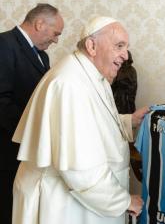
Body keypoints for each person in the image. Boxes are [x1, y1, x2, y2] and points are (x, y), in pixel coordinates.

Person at [12, 17, 147, 224]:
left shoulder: (91, 74)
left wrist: (130, 121)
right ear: (92, 46)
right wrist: (123, 201)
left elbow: (92, 123)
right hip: (63, 205)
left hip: (80, 202)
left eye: (126, 47)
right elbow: (81, 170)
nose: (125, 55)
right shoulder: (70, 84)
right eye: (119, 46)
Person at [0, 3, 64, 223]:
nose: (56, 40)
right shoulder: (4, 44)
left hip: (27, 149)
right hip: (7, 147)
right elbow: (1, 100)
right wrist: (32, 131)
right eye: (56, 33)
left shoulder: (43, 57)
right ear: (39, 24)